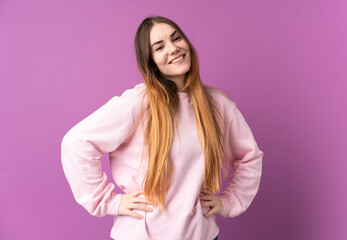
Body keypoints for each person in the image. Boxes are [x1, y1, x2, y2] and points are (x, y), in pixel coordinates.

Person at [61, 16, 263, 240]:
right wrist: (109, 202)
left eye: (176, 38)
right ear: (151, 61)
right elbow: (76, 143)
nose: (173, 48)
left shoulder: (218, 105)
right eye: (160, 47)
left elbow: (250, 157)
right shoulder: (137, 103)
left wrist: (228, 201)